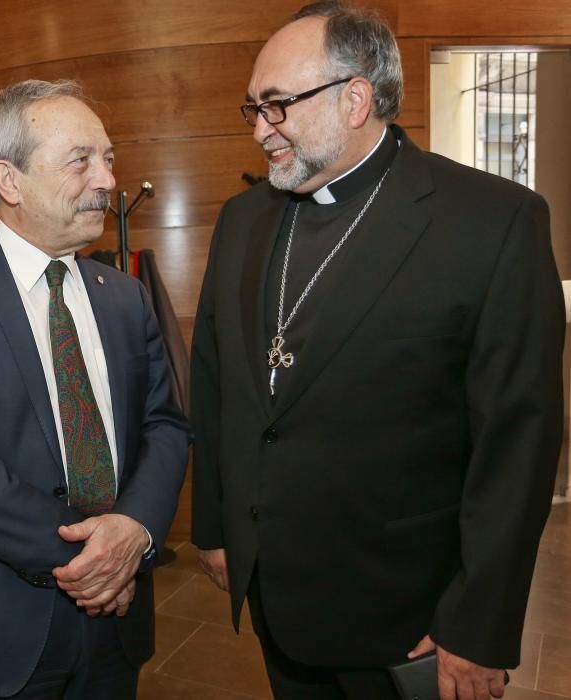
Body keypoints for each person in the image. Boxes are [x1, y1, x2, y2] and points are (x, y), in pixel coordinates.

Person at [190, 3, 565, 699]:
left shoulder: (492, 221)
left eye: (277, 106)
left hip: (408, 616)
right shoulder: (242, 219)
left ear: (355, 98)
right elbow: (217, 385)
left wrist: (477, 623)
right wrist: (214, 528)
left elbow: (517, 443)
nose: (260, 130)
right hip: (275, 598)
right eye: (253, 109)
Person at [0, 79, 189, 699]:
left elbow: (165, 424)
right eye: (81, 160)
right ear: (10, 180)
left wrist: (134, 529)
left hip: (116, 621)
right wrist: (94, 558)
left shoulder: (126, 297)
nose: (106, 179)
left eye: (108, 157)